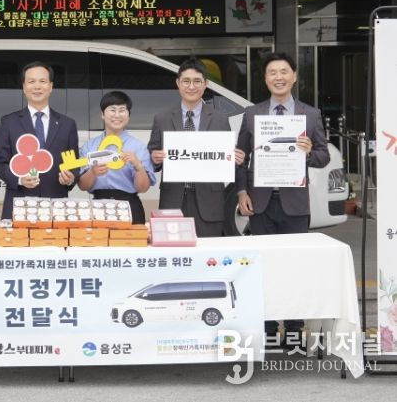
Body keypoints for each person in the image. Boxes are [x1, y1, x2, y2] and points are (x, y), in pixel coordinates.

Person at [234, 51, 330, 341]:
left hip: (295, 204)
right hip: (260, 202)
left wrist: (308, 153)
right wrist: (241, 192)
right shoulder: (253, 114)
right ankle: (266, 325)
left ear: (294, 76)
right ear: (265, 79)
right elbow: (241, 157)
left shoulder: (310, 114)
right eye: (272, 73)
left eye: (284, 72)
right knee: (263, 264)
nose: (279, 77)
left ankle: (293, 327)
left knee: (294, 265)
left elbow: (324, 156)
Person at [147, 58, 238, 237]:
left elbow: (226, 160)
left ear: (205, 84)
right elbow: (152, 156)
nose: (191, 86)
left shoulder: (220, 120)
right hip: (173, 199)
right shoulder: (162, 118)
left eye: (197, 81)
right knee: (174, 248)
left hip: (209, 200)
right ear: (178, 83)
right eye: (186, 81)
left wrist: (233, 159)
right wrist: (154, 158)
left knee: (209, 250)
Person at [0, 61, 79, 220]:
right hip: (19, 203)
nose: (37, 86)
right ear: (24, 87)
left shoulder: (67, 124)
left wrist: (70, 178)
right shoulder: (9, 122)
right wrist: (19, 179)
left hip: (56, 205)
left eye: (42, 81)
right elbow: (0, 164)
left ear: (51, 86)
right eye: (31, 81)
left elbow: (73, 164)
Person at [78, 91, 155, 224]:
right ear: (102, 114)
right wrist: (92, 172)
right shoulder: (90, 146)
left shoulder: (138, 147)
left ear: (128, 115)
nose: (117, 115)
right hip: (98, 206)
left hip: (129, 206)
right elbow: (82, 186)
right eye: (112, 110)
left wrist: (138, 166)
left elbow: (142, 188)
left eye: (122, 110)